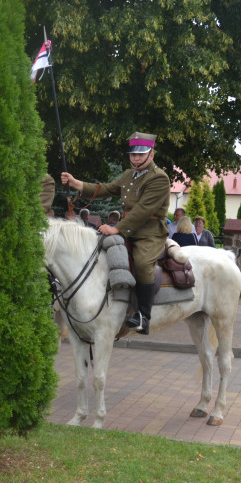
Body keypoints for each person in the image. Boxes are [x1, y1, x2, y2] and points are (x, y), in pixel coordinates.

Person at [61, 131, 169, 334]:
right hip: (129, 229)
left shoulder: (159, 178)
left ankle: (143, 316)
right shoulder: (129, 175)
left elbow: (143, 210)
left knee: (143, 263)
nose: (136, 157)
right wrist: (77, 183)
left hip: (149, 232)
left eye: (141, 154)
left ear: (151, 154)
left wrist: (117, 228)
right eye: (133, 154)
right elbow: (107, 188)